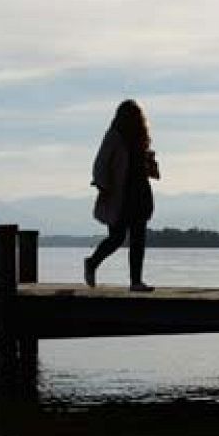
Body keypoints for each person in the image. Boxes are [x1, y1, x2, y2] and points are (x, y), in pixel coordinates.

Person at [84, 100, 160, 292]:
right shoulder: (114, 137)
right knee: (117, 238)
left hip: (140, 192)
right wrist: (103, 186)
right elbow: (100, 164)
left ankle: (136, 281)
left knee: (138, 237)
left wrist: (151, 164)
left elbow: (144, 165)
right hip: (120, 195)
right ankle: (92, 262)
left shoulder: (141, 139)